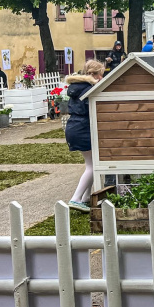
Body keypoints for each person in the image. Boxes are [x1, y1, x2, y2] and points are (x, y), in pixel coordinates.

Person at [65, 60, 105, 212]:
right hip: (83, 128)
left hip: (73, 127)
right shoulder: (88, 90)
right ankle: (76, 198)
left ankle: (85, 198)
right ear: (95, 75)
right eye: (100, 75)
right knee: (93, 166)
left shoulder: (77, 87)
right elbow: (93, 110)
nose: (101, 78)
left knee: (91, 163)